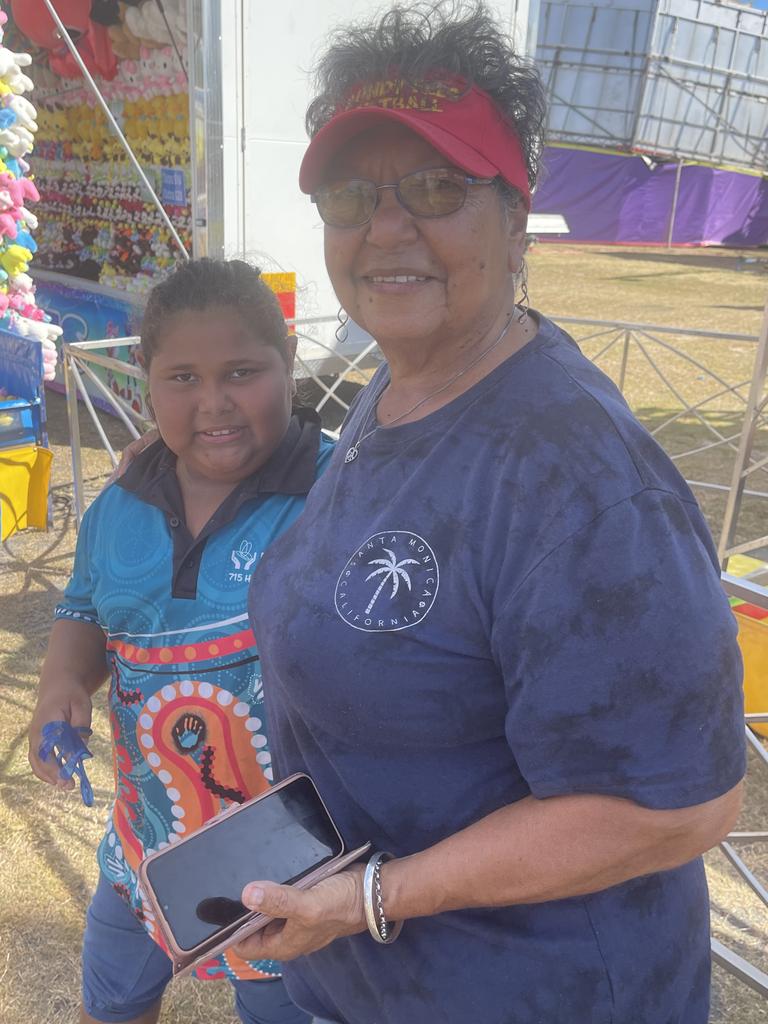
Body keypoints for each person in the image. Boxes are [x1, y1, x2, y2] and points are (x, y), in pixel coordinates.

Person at [235, 4, 747, 1024]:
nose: (386, 226)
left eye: (435, 187)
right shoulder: (396, 386)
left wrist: (374, 897)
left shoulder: (583, 480)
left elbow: (677, 807)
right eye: (350, 193)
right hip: (361, 980)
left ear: (516, 215)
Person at [27, 259, 332, 1024]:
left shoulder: (342, 494)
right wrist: (61, 686)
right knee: (115, 1003)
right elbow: (85, 608)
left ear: (287, 359)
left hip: (296, 872)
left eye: (241, 371)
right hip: (141, 853)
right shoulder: (120, 505)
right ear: (145, 379)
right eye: (183, 378)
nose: (214, 403)